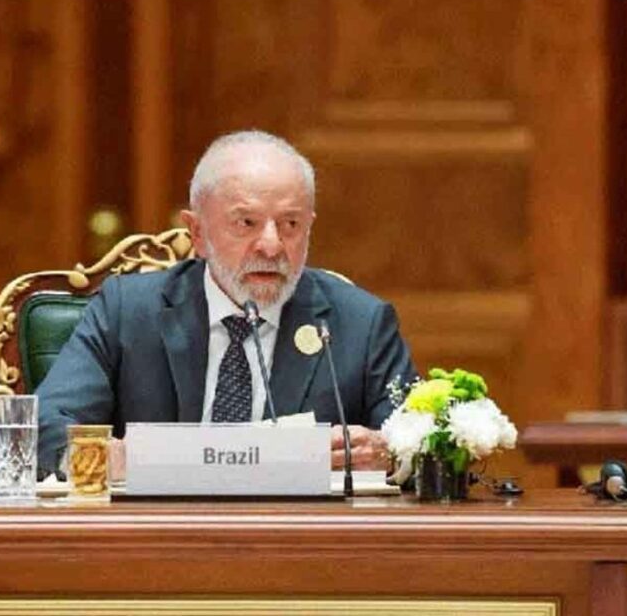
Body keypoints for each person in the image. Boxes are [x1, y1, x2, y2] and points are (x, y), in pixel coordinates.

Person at [36, 130, 416, 477]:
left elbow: (426, 445)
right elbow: (45, 429)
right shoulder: (127, 311)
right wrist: (113, 459)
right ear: (197, 233)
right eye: (246, 223)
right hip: (155, 540)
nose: (271, 245)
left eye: (290, 225)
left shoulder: (361, 324)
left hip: (299, 544)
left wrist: (389, 454)